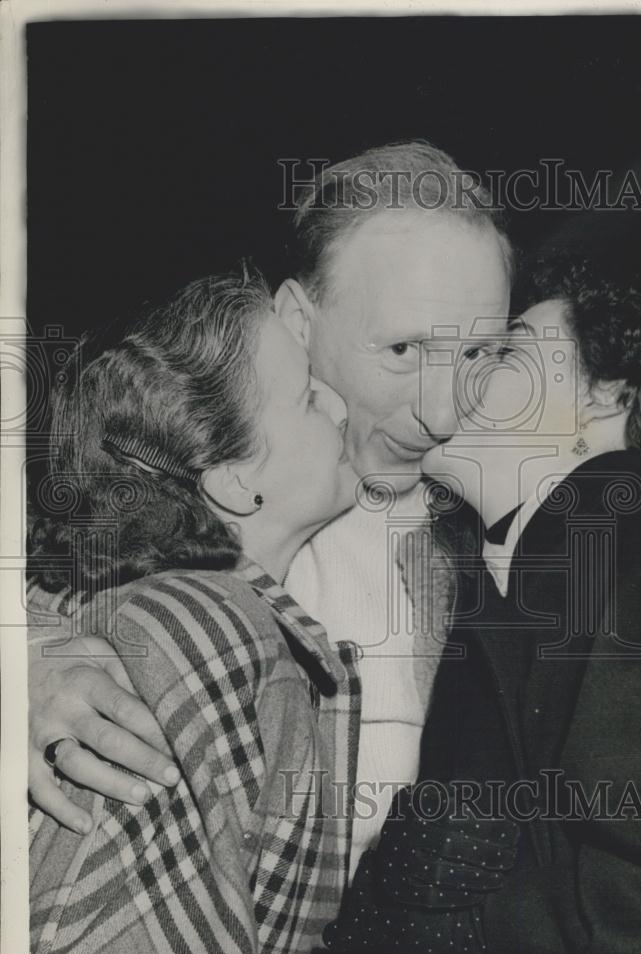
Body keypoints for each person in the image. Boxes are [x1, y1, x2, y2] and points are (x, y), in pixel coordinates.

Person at [27, 143, 511, 875]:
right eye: (403, 349)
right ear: (298, 319)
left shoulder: (502, 545)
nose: (442, 413)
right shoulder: (175, 473)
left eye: (479, 354)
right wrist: (22, 668)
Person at [323, 256, 641, 954]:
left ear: (607, 394)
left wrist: (474, 931)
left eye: (503, 352)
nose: (459, 378)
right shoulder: (491, 577)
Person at [27, 268, 362, 954]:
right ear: (235, 481)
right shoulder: (205, 631)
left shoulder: (137, 610)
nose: (338, 406)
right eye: (306, 396)